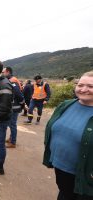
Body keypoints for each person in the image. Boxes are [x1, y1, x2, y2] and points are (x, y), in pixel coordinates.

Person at [43, 71, 93, 200]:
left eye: (91, 86)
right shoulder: (65, 105)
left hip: (85, 174)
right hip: (61, 167)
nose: (84, 89)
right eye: (80, 85)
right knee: (65, 193)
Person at [2, 67, 25, 148]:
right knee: (11, 123)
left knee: (12, 124)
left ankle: (13, 142)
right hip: (11, 107)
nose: (3, 74)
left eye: (3, 72)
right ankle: (11, 138)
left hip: (14, 107)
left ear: (8, 72)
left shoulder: (12, 82)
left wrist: (22, 104)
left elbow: (19, 95)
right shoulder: (10, 80)